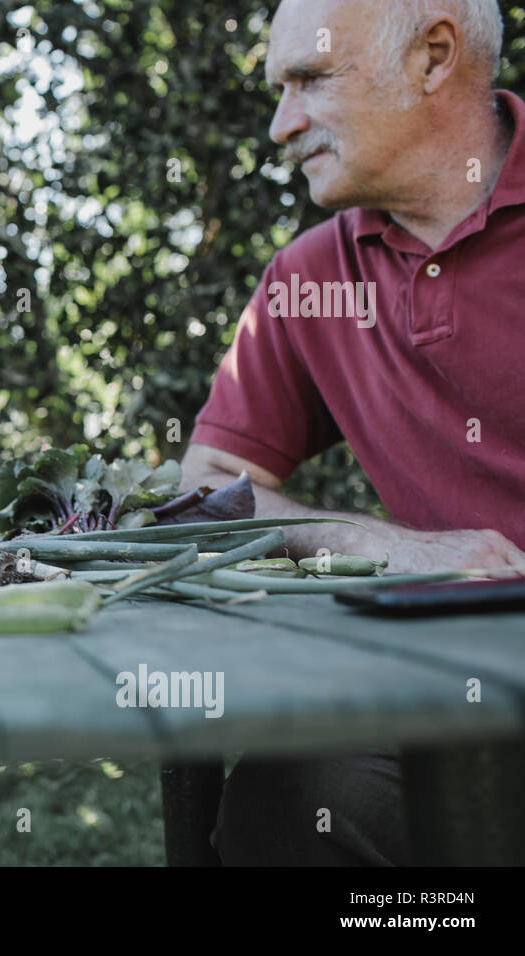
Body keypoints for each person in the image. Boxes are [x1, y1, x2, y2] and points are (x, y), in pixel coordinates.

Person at [180, 0, 525, 864]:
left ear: (434, 56)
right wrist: (375, 542)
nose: (279, 124)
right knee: (298, 795)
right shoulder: (309, 279)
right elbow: (203, 484)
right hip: (455, 688)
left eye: (311, 79)